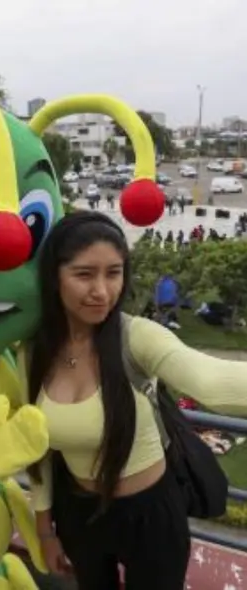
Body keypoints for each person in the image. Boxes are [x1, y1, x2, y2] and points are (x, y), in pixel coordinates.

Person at [22, 210, 247, 590]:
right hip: (78, 511)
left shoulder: (137, 337)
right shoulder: (34, 353)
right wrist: (45, 530)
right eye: (84, 274)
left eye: (114, 273)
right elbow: (37, 451)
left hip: (151, 515)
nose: (102, 291)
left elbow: (210, 382)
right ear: (53, 277)